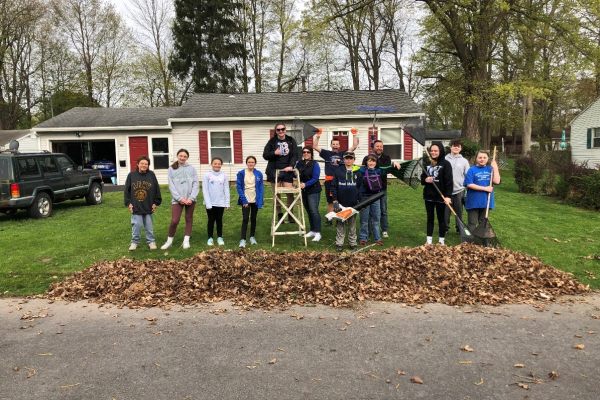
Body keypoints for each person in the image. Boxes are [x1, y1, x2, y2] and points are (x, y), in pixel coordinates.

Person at [313, 128, 358, 226]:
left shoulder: (343, 154)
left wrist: (354, 134)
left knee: (341, 200)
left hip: (341, 179)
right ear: (331, 145)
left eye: (337, 144)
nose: (335, 146)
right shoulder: (326, 154)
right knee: (330, 201)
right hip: (329, 180)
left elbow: (354, 146)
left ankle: (342, 218)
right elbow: (315, 146)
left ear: (339, 145)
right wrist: (318, 135)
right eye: (333, 144)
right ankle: (329, 219)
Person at [161, 149, 200, 250]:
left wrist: (191, 198)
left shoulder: (191, 168)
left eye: (184, 156)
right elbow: (171, 186)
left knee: (189, 218)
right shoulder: (171, 169)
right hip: (177, 199)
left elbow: (196, 183)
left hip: (190, 199)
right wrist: (179, 198)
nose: (182, 158)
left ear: (187, 158)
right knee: (175, 220)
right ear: (177, 156)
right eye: (181, 156)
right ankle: (169, 241)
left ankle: (186, 241)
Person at [361, 140, 400, 238]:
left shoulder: (386, 158)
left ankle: (384, 229)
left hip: (381, 188)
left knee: (382, 210)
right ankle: (369, 231)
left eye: (381, 146)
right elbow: (363, 168)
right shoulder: (367, 158)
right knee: (369, 211)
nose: (379, 148)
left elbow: (385, 168)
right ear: (373, 147)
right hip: (368, 189)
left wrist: (393, 163)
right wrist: (371, 160)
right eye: (377, 146)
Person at [124, 155, 162, 251]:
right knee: (136, 225)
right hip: (136, 205)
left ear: (148, 165)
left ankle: (151, 242)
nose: (144, 165)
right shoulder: (131, 175)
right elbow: (126, 191)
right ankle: (134, 242)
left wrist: (156, 202)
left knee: (149, 226)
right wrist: (128, 203)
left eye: (146, 164)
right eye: (142, 163)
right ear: (138, 164)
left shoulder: (151, 175)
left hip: (148, 205)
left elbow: (157, 189)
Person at [263, 122, 298, 224]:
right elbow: (265, 155)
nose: (281, 131)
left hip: (287, 171)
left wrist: (291, 166)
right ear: (276, 131)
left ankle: (290, 214)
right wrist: (274, 153)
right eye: (278, 130)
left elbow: (295, 154)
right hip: (275, 171)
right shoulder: (272, 141)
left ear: (285, 130)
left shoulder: (291, 140)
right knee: (276, 194)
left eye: (282, 129)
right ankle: (279, 214)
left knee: (290, 193)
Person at [421, 142, 453, 245]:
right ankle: (429, 241)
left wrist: (448, 196)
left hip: (441, 196)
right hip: (429, 195)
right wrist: (426, 179)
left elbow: (449, 182)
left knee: (441, 218)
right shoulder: (427, 163)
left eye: (436, 150)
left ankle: (441, 241)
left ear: (440, 151)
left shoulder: (446, 164)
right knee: (430, 218)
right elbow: (422, 179)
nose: (433, 152)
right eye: (432, 150)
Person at [330, 151, 363, 252]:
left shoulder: (358, 172)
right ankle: (339, 243)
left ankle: (352, 243)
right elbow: (333, 186)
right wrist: (335, 200)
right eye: (346, 158)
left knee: (352, 225)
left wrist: (360, 201)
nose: (348, 160)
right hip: (341, 203)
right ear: (343, 160)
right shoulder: (338, 171)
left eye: (350, 158)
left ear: (354, 159)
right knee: (340, 224)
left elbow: (360, 187)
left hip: (353, 203)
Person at [463, 150, 501, 233]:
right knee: (472, 222)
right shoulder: (472, 170)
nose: (482, 159)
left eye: (484, 157)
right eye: (480, 157)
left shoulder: (490, 169)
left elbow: (497, 181)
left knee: (483, 222)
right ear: (476, 158)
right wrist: (485, 188)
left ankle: (482, 241)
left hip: (486, 201)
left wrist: (495, 167)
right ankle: (471, 242)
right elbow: (469, 184)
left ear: (488, 159)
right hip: (473, 201)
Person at [295, 146, 322, 241]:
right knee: (309, 211)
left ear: (311, 154)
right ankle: (312, 230)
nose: (306, 153)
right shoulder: (299, 163)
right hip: (304, 190)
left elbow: (315, 178)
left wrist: (305, 184)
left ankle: (318, 232)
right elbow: (295, 173)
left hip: (313, 190)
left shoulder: (315, 164)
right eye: (304, 152)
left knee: (314, 211)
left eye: (308, 152)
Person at [236, 156, 264, 248]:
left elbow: (260, 188)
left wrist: (260, 200)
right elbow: (239, 187)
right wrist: (244, 200)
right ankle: (243, 239)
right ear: (246, 163)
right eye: (249, 162)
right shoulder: (241, 173)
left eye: (252, 162)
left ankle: (252, 236)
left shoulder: (259, 173)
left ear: (255, 163)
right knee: (245, 219)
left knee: (253, 218)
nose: (250, 163)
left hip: (255, 199)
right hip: (246, 199)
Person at [444, 139, 470, 237]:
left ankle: (459, 229)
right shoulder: (444, 159)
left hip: (459, 190)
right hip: (446, 191)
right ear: (450, 147)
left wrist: (467, 188)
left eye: (458, 146)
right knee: (446, 211)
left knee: (459, 211)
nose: (456, 148)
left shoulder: (464, 161)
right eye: (454, 146)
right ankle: (445, 228)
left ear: (460, 148)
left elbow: (467, 175)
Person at [202, 157, 230, 246]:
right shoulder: (207, 175)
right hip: (210, 202)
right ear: (212, 164)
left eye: (219, 164)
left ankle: (219, 237)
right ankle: (210, 238)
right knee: (211, 220)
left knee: (219, 220)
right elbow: (205, 190)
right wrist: (208, 203)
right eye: (215, 163)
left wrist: (227, 202)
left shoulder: (224, 175)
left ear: (221, 165)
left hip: (220, 202)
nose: (217, 165)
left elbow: (226, 189)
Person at [358, 155, 385, 246]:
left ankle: (377, 238)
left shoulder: (379, 171)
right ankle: (363, 238)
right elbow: (347, 164)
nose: (371, 163)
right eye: (369, 161)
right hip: (364, 197)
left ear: (376, 163)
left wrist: (395, 164)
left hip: (376, 197)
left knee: (376, 218)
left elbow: (390, 168)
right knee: (364, 219)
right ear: (366, 162)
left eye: (373, 161)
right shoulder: (361, 171)